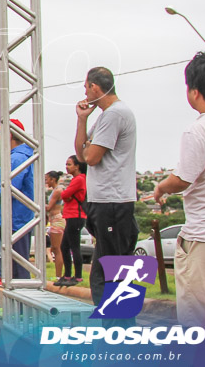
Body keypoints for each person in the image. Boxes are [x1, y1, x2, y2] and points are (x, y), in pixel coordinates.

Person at [153, 52, 205, 333]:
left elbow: (183, 179)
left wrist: (161, 187)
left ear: (194, 92)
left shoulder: (199, 130)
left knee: (203, 327)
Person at [74, 66, 138, 311]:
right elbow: (82, 153)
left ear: (95, 87)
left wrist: (89, 147)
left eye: (86, 87)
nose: (85, 93)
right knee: (103, 270)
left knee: (111, 271)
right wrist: (82, 120)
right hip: (105, 200)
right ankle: (113, 324)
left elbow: (91, 158)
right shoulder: (104, 115)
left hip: (113, 201)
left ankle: (117, 326)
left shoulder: (115, 114)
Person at [0, 129, 35, 280]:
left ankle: (23, 300)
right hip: (16, 217)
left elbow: (9, 189)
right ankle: (18, 300)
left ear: (9, 135)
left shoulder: (16, 158)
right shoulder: (22, 156)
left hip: (15, 218)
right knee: (14, 265)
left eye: (0, 133)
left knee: (18, 266)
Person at [54, 155, 87, 287]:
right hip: (71, 215)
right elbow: (66, 196)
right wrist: (67, 195)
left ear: (77, 166)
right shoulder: (77, 179)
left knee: (74, 246)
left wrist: (67, 195)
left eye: (69, 164)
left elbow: (64, 195)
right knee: (64, 246)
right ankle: (67, 275)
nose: (67, 167)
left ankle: (78, 276)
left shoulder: (79, 179)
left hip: (76, 216)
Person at [43, 171, 65, 283]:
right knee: (54, 248)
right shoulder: (53, 191)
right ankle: (58, 275)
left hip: (57, 221)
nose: (46, 182)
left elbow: (49, 207)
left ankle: (58, 276)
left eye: (47, 179)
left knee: (57, 249)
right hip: (53, 221)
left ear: (52, 179)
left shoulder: (57, 191)